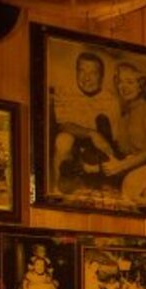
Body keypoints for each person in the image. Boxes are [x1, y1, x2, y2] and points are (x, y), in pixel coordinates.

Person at [51, 51, 119, 192]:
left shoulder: (111, 100)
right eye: (82, 71)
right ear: (76, 72)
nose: (87, 78)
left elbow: (113, 140)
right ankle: (56, 191)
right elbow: (63, 125)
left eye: (93, 73)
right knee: (63, 140)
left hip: (98, 152)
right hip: (75, 150)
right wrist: (92, 134)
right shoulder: (66, 93)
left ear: (101, 76)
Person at [101, 62, 146, 208]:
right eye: (120, 82)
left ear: (140, 86)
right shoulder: (124, 115)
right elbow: (126, 154)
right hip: (130, 178)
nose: (124, 86)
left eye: (130, 82)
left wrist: (120, 166)